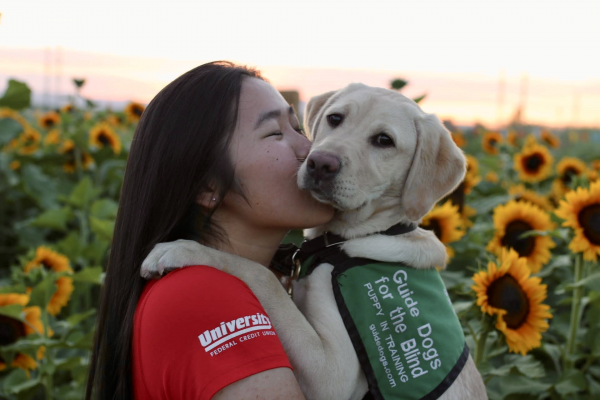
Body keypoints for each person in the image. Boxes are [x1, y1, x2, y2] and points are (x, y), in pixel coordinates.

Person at [85, 61, 334, 400]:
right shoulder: (205, 294)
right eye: (275, 133)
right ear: (207, 186)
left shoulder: (257, 286)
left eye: (298, 129)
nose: (312, 150)